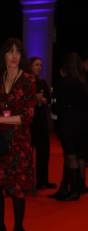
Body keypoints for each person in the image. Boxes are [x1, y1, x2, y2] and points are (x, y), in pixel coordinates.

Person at [0, 38, 36, 231]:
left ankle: (18, 229)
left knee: (16, 189)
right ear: (3, 56)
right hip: (0, 141)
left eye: (17, 52)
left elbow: (27, 116)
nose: (14, 56)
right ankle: (0, 226)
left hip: (19, 143)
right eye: (10, 52)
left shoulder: (28, 81)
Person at [49, 53, 88, 201]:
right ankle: (70, 188)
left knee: (70, 156)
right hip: (83, 124)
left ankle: (74, 191)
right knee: (78, 156)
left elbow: (57, 105)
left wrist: (54, 119)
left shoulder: (64, 82)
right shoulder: (83, 81)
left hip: (68, 122)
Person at [29, 56, 55, 189]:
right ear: (30, 66)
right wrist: (34, 98)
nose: (39, 67)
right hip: (29, 121)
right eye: (36, 64)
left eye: (40, 65)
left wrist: (43, 100)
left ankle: (42, 181)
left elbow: (50, 100)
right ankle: (27, 181)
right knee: (27, 153)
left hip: (41, 120)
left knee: (44, 152)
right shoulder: (25, 82)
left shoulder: (43, 82)